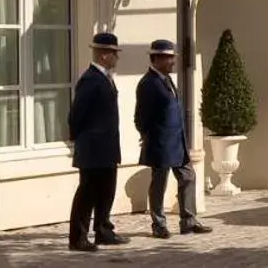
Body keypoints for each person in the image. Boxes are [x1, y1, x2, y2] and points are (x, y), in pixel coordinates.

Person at [135, 38, 213, 238]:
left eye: (173, 58)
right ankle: (158, 224)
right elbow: (140, 117)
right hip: (160, 143)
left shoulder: (167, 79)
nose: (173, 62)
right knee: (159, 183)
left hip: (178, 141)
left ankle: (188, 221)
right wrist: (148, 136)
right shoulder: (148, 83)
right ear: (157, 59)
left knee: (188, 177)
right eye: (169, 58)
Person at [67, 32, 128, 253]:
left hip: (107, 148)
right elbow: (76, 115)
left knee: (106, 191)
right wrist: (82, 141)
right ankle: (78, 238)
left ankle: (103, 230)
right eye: (114, 54)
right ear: (104, 55)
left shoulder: (105, 78)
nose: (116, 58)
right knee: (87, 194)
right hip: (93, 149)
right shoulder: (90, 80)